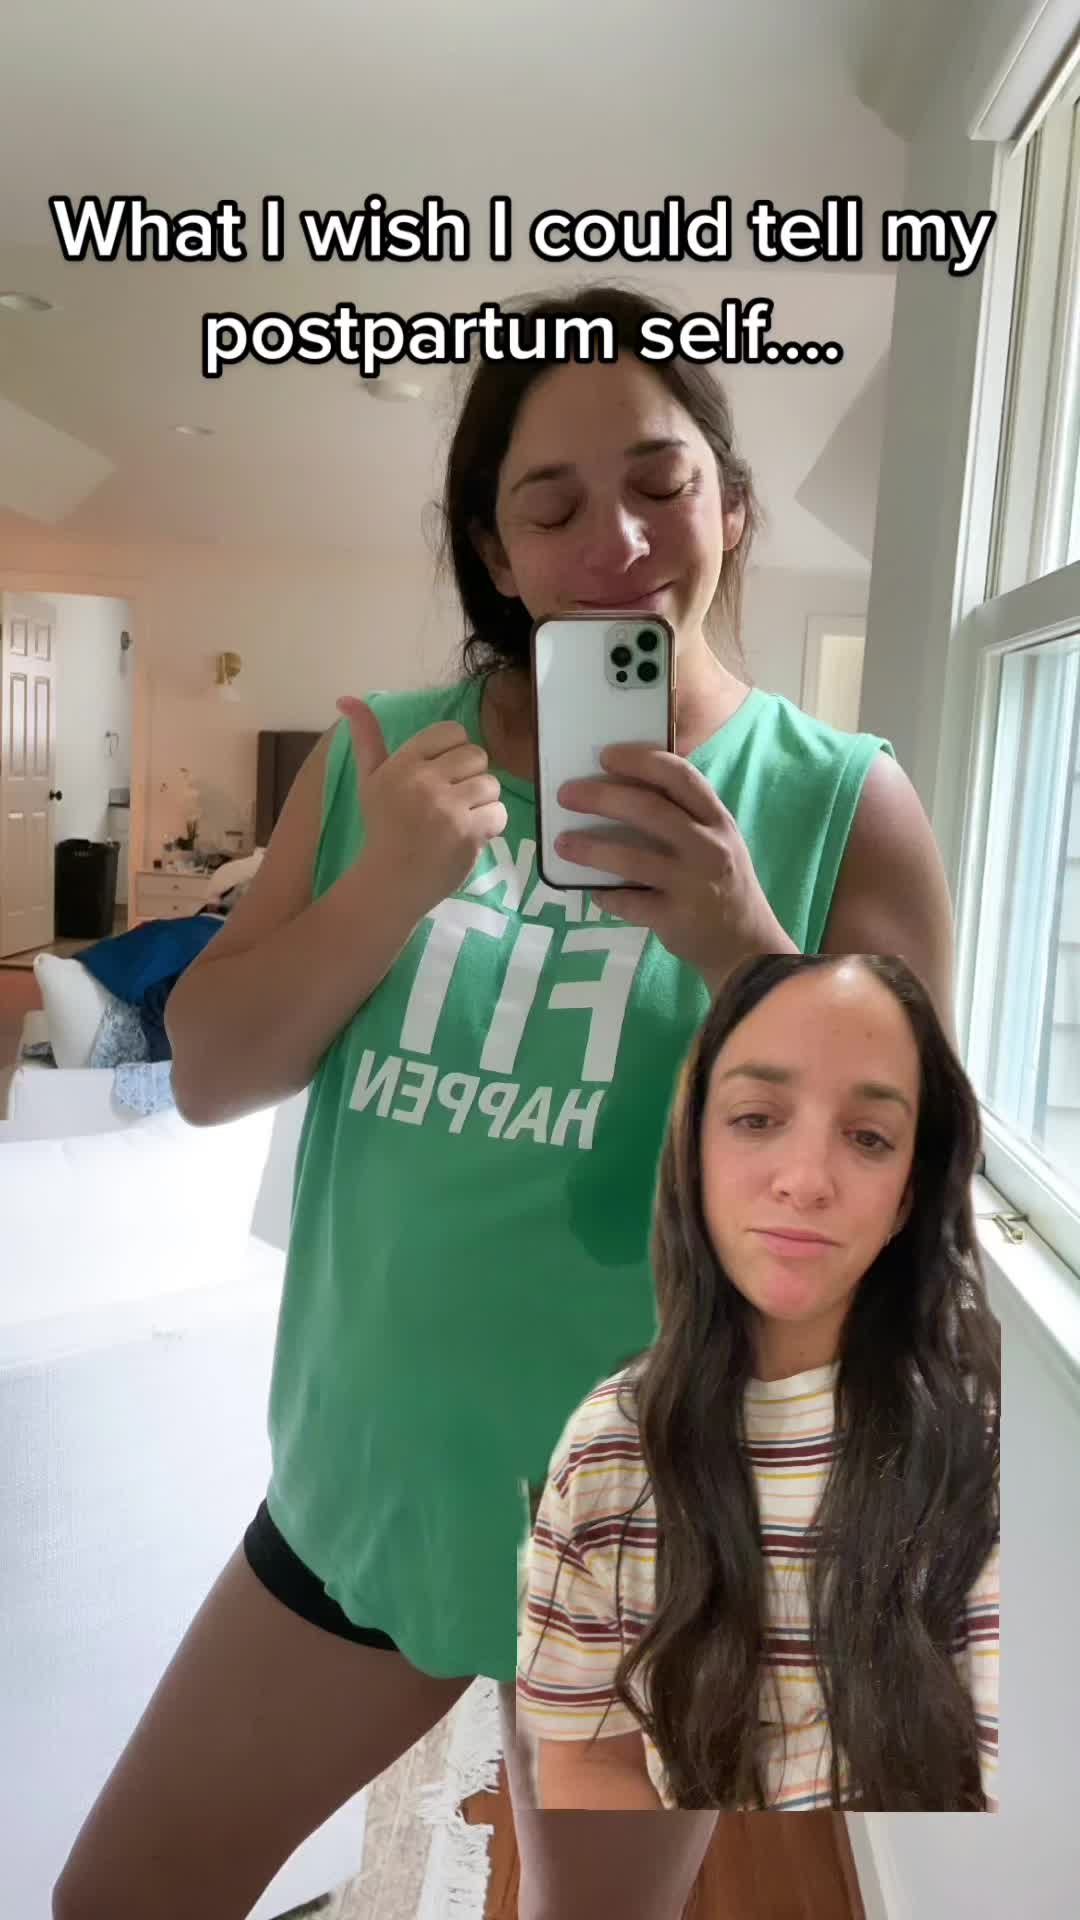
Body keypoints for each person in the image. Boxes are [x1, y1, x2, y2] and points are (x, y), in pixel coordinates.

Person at [53, 286, 958, 1920]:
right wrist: (383, 887)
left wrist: (739, 944)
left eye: (661, 483)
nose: (615, 538)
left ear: (734, 507)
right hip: (366, 1494)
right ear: (495, 550)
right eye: (550, 505)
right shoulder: (383, 763)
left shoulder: (844, 801)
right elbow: (210, 1070)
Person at [517, 952, 1000, 1816]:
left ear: (907, 1194)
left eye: (869, 1138)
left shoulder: (994, 1442)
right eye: (755, 1118)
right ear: (691, 1153)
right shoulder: (607, 1450)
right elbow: (589, 1760)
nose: (805, 1181)